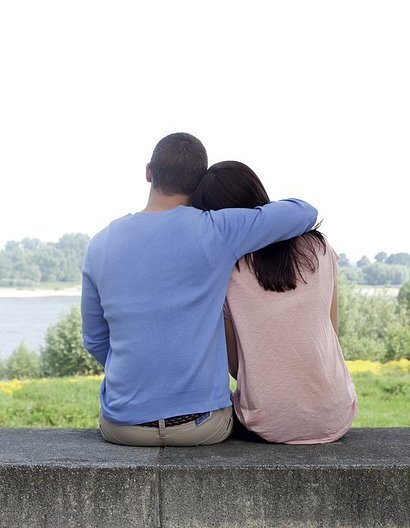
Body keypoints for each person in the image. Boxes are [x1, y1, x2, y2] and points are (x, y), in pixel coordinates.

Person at [81, 134, 318, 446]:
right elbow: (304, 211)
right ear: (199, 181)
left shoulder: (100, 244)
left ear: (149, 172)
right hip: (202, 426)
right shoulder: (217, 230)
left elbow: (95, 340)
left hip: (122, 427)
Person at [191, 161, 357, 444]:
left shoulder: (228, 269)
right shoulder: (320, 249)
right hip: (335, 415)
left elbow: (235, 366)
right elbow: (331, 331)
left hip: (266, 423)